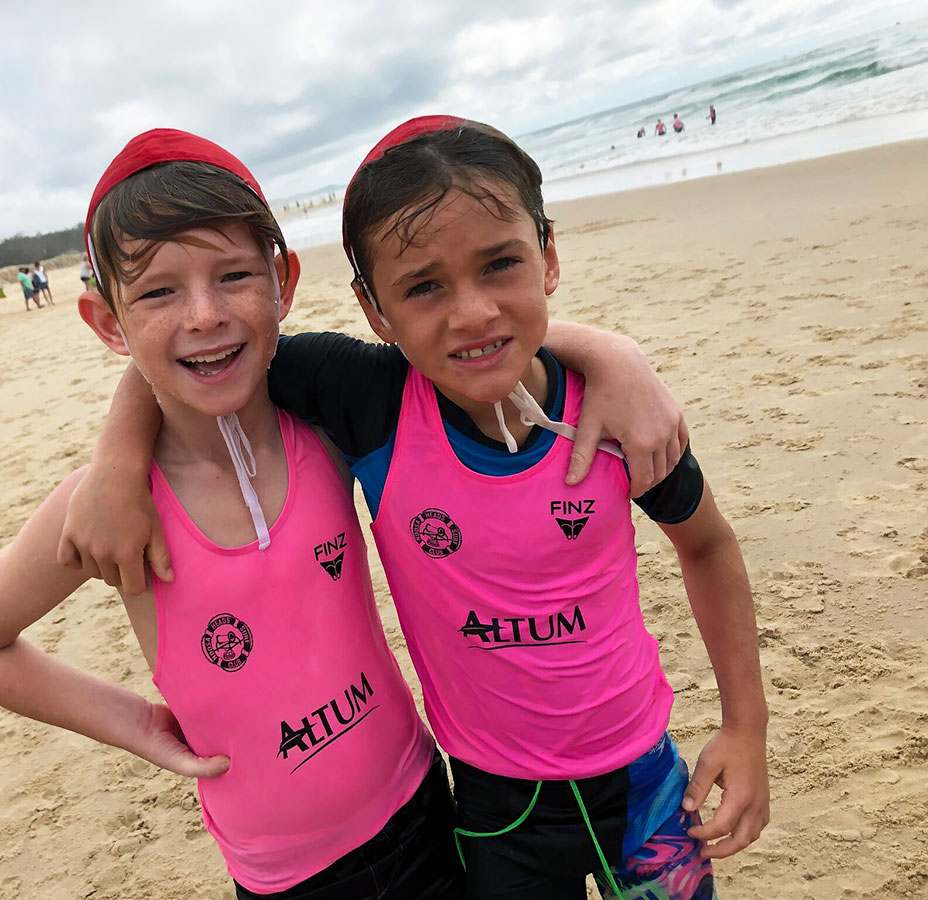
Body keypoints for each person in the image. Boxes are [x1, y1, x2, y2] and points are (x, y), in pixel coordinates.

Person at [66, 117, 769, 899]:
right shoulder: (372, 402)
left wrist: (747, 727)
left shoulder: (617, 418)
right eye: (423, 287)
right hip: (497, 811)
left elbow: (706, 545)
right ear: (374, 310)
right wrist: (119, 453)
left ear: (550, 258)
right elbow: (200, 355)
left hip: (647, 784)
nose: (470, 314)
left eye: (501, 264)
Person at [0, 129, 463, 900]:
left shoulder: (325, 423)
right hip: (287, 876)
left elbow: (456, 352)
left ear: (282, 282)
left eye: (234, 275)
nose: (206, 314)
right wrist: (140, 726)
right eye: (158, 291)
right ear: (106, 321)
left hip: (421, 802)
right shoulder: (107, 504)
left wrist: (609, 358)